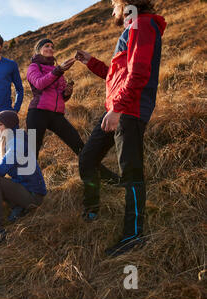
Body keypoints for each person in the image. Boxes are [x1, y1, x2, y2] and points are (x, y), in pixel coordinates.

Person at [75, 0, 166, 256]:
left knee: (132, 172)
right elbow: (118, 76)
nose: (111, 11)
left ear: (125, 4)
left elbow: (139, 74)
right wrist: (91, 62)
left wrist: (118, 109)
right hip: (118, 107)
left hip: (129, 110)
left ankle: (134, 235)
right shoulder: (133, 28)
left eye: (113, 5)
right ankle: (92, 209)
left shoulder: (143, 24)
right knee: (88, 158)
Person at [26, 38, 119, 183]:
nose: (50, 48)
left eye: (52, 46)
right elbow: (39, 84)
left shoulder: (56, 68)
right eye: (46, 46)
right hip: (37, 113)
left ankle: (106, 177)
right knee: (31, 152)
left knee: (80, 147)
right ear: (38, 50)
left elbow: (61, 97)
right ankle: (26, 188)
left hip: (56, 114)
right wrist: (59, 70)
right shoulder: (33, 66)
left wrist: (67, 93)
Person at [0, 110, 47, 247]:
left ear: (9, 127)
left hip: (33, 195)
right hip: (21, 186)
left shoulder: (16, 143)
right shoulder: (8, 139)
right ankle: (17, 206)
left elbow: (0, 171)